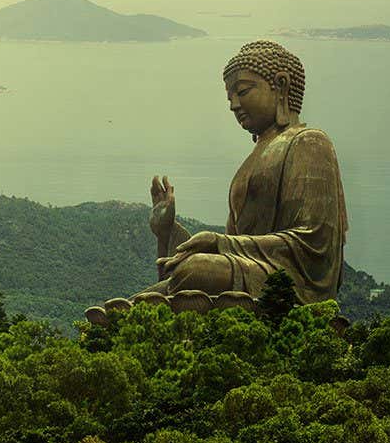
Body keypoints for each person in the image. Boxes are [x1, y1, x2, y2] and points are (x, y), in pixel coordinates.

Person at [141, 40, 348, 305]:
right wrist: (167, 231)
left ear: (281, 85)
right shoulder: (253, 159)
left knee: (193, 271)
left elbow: (314, 244)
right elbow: (236, 243)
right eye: (230, 98)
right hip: (250, 269)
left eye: (243, 91)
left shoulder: (309, 142)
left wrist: (220, 243)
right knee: (145, 296)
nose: (234, 105)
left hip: (288, 281)